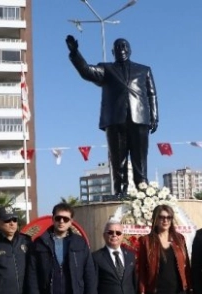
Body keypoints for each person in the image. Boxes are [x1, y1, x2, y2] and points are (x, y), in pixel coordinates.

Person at [66, 35, 158, 196]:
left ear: (129, 50)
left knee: (140, 158)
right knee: (118, 159)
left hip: (140, 119)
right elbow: (86, 71)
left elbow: (152, 94)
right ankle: (120, 190)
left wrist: (154, 116)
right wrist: (75, 53)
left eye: (124, 46)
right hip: (115, 120)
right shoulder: (106, 69)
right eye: (117, 47)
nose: (121, 49)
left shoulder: (144, 70)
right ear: (112, 52)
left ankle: (143, 189)